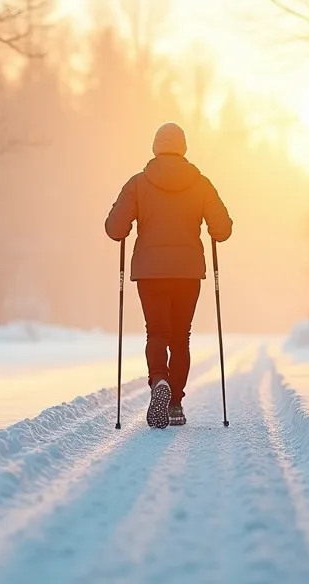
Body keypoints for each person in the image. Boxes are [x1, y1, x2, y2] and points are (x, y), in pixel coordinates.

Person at [105, 122, 233, 429]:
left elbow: (114, 229)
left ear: (155, 148)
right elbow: (223, 229)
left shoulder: (137, 183)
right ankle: (174, 402)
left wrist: (124, 217)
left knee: (156, 332)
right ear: (184, 148)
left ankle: (159, 380)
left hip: (150, 273)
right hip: (187, 272)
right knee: (180, 337)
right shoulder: (201, 183)